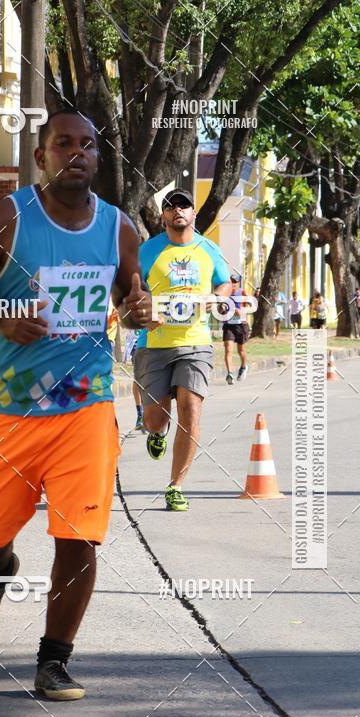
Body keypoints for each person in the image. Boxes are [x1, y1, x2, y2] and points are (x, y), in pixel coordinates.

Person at [0, 109, 152, 701]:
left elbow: (132, 299)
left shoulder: (119, 229)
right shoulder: (4, 217)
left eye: (87, 145)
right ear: (42, 157)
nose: (75, 153)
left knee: (78, 537)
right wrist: (0, 317)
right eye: (63, 144)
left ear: (98, 159)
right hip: (5, 410)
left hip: (85, 408)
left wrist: (137, 312)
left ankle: (53, 661)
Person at [133, 188, 231, 512]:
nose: (178, 210)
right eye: (171, 206)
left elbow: (226, 282)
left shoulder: (208, 249)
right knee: (155, 419)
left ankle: (176, 486)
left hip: (196, 343)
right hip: (154, 345)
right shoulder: (148, 251)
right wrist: (144, 312)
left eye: (184, 205)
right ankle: (156, 434)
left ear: (193, 213)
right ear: (163, 215)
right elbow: (132, 290)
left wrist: (217, 297)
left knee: (190, 410)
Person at [223, 274, 251, 384]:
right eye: (231, 282)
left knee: (241, 351)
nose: (233, 284)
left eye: (235, 282)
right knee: (228, 349)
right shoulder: (225, 293)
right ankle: (229, 373)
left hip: (241, 325)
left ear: (239, 283)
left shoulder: (243, 292)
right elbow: (222, 307)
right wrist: (224, 308)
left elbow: (251, 306)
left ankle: (243, 367)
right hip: (229, 324)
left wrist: (242, 311)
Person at [124, 330, 146, 431]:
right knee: (138, 378)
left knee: (148, 379)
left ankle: (147, 413)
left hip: (156, 344)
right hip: (138, 344)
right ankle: (140, 414)